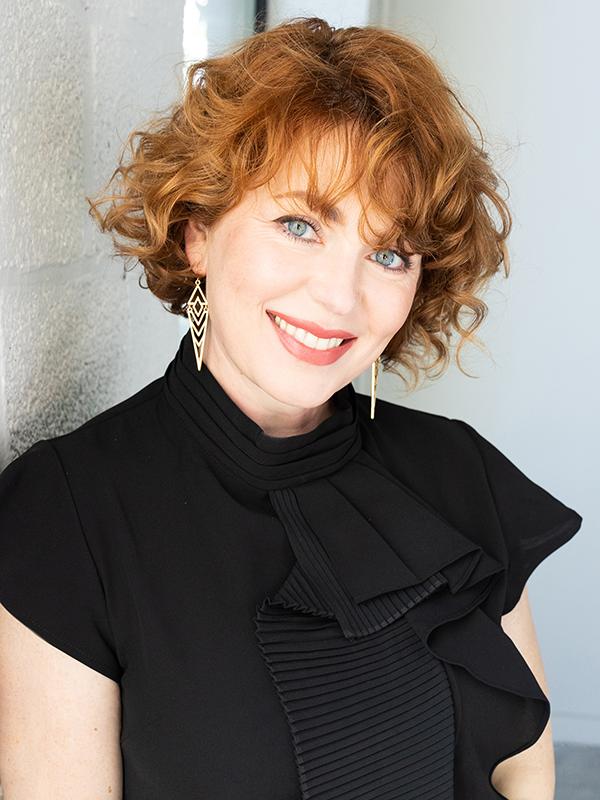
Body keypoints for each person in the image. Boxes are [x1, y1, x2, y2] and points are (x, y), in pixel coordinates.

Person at [0, 16, 583, 800]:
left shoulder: (458, 473)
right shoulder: (66, 513)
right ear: (197, 232)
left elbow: (523, 772)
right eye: (299, 225)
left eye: (388, 253)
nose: (340, 297)